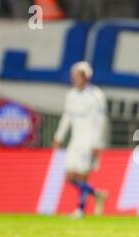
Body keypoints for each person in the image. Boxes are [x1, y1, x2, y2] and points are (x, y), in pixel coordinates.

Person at [53, 61, 108, 218]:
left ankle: (80, 209)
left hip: (89, 140)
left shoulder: (96, 95)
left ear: (86, 77)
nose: (75, 78)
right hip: (75, 140)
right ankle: (97, 194)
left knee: (83, 175)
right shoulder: (71, 95)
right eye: (74, 75)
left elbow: (100, 120)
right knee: (69, 177)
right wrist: (59, 136)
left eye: (78, 75)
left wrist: (96, 143)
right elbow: (67, 117)